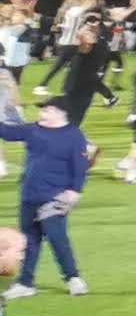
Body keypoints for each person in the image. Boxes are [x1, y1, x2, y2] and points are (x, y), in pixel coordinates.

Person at [0, 88, 90, 299]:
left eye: (46, 110)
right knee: (30, 239)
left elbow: (80, 166)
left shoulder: (74, 136)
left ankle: (73, 278)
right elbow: (7, 133)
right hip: (29, 195)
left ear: (60, 113)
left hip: (55, 197)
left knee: (57, 237)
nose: (41, 114)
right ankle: (26, 283)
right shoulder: (33, 130)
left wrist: (75, 191)